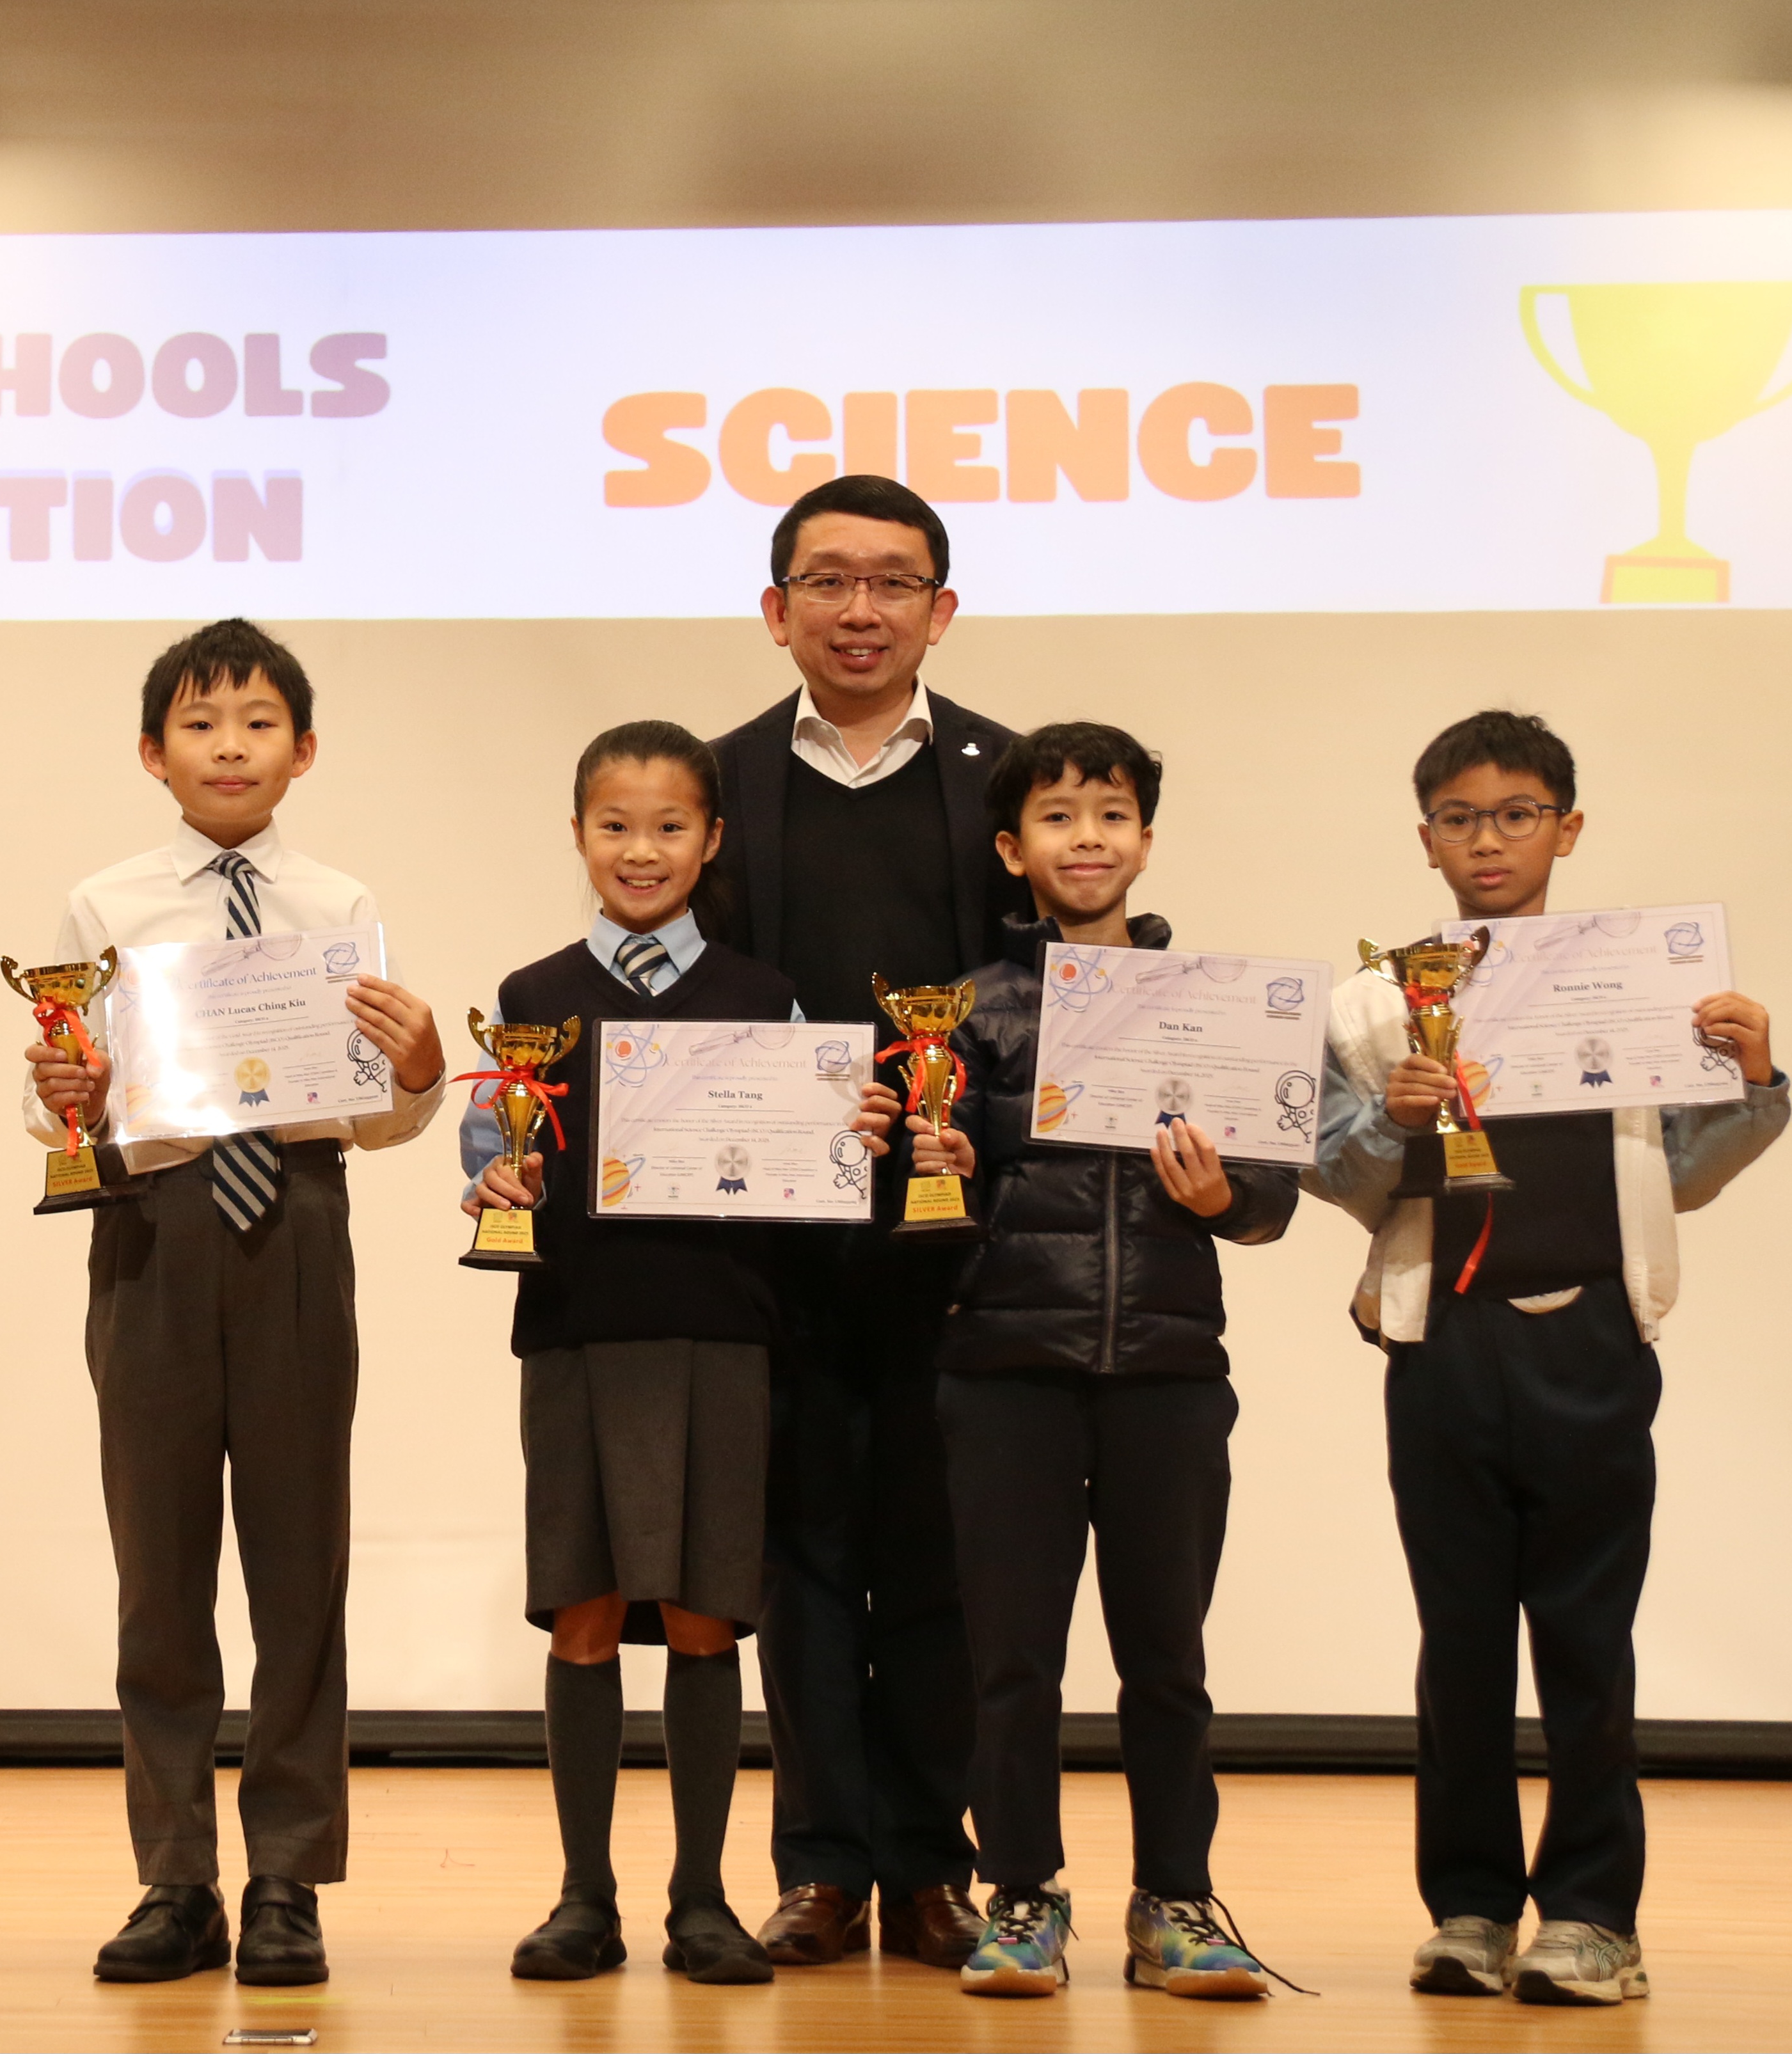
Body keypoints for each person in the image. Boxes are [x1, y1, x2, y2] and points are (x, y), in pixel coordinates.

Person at [1304, 710, 1789, 2007]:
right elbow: (1338, 1175)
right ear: (1425, 840)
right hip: (1442, 1346)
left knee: (1586, 1640)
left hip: (1592, 1339)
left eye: (1518, 814)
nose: (1490, 839)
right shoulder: (1371, 1001)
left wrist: (1752, 1080)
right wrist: (1393, 1123)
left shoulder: (1633, 984)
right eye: (1461, 818)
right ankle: (1468, 1910)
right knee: (1458, 1641)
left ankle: (1591, 1917)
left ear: (1566, 830)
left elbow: (1680, 1173)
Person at [22, 618, 447, 1989]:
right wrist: (68, 1092)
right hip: (154, 1227)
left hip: (299, 1222)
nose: (229, 747)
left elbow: (375, 1113)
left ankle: (287, 1879)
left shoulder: (337, 902)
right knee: (160, 1573)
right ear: (153, 753)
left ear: (303, 750)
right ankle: (175, 1879)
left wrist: (420, 1069)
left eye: (259, 723)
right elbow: (51, 1095)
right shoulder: (104, 905)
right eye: (199, 725)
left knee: (298, 1565)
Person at [461, 721, 897, 1987]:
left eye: (668, 827)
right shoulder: (530, 1000)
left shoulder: (769, 1001)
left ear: (712, 841)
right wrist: (492, 1176)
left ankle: (701, 1898)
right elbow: (489, 1154)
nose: (640, 850)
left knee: (709, 1616)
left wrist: (854, 1135)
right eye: (615, 825)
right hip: (578, 1333)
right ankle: (582, 1897)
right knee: (585, 1609)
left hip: (725, 1335)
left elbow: (814, 1170)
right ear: (578, 834)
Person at [896, 722, 1300, 2000]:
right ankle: (1022, 1895)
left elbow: (1272, 1197)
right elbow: (926, 1191)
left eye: (1111, 814)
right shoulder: (965, 1009)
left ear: (1146, 840)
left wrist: (1228, 1192)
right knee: (1012, 1661)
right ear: (1011, 849)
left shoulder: (1216, 1004)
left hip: (1170, 1371)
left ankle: (1175, 1899)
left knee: (1167, 1662)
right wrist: (950, 1166)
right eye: (1058, 817)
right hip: (1006, 1367)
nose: (1087, 839)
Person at [705, 473, 1024, 1969]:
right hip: (780, 1243)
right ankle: (825, 1861)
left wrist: (985, 1139)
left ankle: (932, 1863)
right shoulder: (713, 783)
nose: (860, 609)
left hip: (963, 1234)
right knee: (807, 1559)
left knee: (943, 1556)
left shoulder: (1010, 777)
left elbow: (1051, 1006)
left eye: (893, 582)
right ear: (777, 610)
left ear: (940, 611)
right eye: (828, 581)